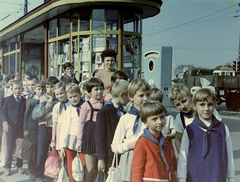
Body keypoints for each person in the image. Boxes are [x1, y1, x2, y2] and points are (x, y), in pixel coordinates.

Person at [177, 88, 235, 182]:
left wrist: (231, 178)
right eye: (202, 104)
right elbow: (183, 158)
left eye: (210, 104)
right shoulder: (189, 130)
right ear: (195, 106)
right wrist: (182, 179)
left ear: (215, 105)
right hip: (194, 178)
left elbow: (229, 157)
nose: (206, 108)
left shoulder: (223, 128)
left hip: (218, 177)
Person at [111, 78, 151, 182]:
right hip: (130, 158)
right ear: (131, 97)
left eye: (148, 94)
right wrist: (130, 145)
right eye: (141, 95)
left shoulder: (153, 117)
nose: (146, 98)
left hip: (149, 156)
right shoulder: (125, 118)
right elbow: (114, 146)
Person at [132, 100, 177, 182]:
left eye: (162, 117)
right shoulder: (142, 142)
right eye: (154, 119)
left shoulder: (165, 141)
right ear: (145, 122)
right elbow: (137, 170)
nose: (160, 121)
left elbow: (170, 168)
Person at [96, 79, 129, 175]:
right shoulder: (104, 111)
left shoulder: (123, 110)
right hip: (109, 155)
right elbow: (100, 136)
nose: (130, 99)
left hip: (121, 152)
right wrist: (101, 159)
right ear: (122, 95)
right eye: (128, 96)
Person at [76, 77, 105, 181]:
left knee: (101, 167)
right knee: (90, 167)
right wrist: (79, 141)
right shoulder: (86, 105)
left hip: (102, 135)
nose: (99, 91)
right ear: (89, 91)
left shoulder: (105, 104)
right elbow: (81, 123)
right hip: (90, 134)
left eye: (101, 89)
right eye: (96, 89)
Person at [34, 76, 59, 182]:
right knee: (42, 151)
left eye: (51, 87)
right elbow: (42, 115)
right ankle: (39, 174)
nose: (49, 90)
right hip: (44, 126)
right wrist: (53, 112)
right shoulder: (43, 98)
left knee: (56, 150)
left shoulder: (60, 97)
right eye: (47, 87)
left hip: (55, 127)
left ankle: (55, 172)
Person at [59, 83, 85, 182]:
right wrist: (62, 145)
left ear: (80, 94)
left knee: (82, 162)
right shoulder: (69, 110)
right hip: (70, 137)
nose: (73, 99)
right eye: (70, 97)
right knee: (70, 161)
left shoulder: (85, 106)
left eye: (75, 96)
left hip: (82, 137)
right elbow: (65, 128)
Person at [0, 80, 26, 176]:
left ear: (22, 89)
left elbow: (25, 115)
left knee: (20, 147)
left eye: (19, 88)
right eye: (15, 88)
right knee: (9, 148)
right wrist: (5, 123)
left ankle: (19, 166)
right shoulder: (7, 100)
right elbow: (2, 112)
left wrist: (25, 128)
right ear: (12, 89)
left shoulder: (24, 100)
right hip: (10, 127)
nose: (17, 91)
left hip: (20, 128)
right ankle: (8, 167)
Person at [23, 80, 45, 181]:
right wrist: (25, 129)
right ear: (35, 90)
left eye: (42, 89)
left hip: (42, 128)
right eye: (39, 89)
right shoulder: (32, 101)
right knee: (33, 150)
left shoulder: (45, 100)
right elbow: (26, 115)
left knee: (41, 151)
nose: (41, 91)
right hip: (33, 128)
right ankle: (31, 171)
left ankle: (39, 172)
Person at [168, 83, 194, 154]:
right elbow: (178, 139)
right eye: (178, 105)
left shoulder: (204, 111)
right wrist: (182, 157)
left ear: (191, 96)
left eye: (184, 101)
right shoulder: (180, 118)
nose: (182, 106)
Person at [51, 82, 70, 151]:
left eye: (61, 93)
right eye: (57, 94)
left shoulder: (71, 104)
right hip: (60, 129)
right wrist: (53, 139)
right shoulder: (56, 106)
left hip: (70, 129)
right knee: (60, 152)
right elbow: (55, 123)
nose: (59, 96)